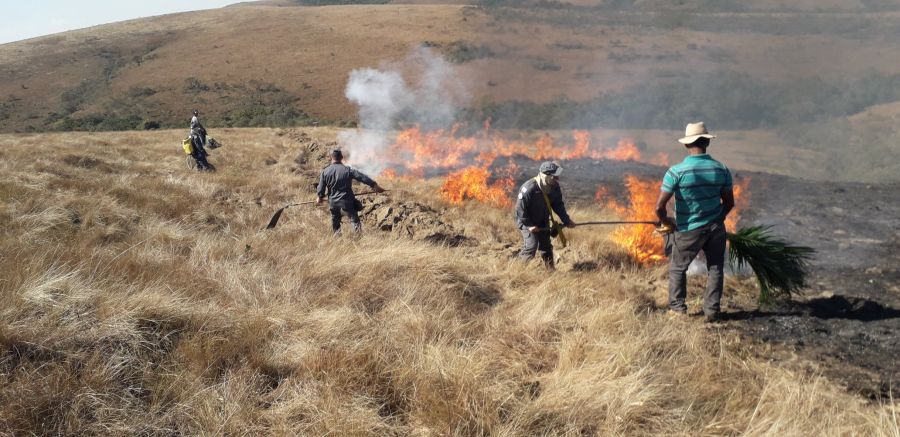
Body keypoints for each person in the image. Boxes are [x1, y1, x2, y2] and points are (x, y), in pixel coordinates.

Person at [655, 122, 735, 322]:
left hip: (689, 229)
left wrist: (666, 221)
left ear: (686, 145)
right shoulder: (721, 169)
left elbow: (659, 207)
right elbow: (729, 202)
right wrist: (719, 218)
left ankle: (677, 309)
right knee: (715, 268)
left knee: (677, 268)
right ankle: (712, 311)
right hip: (716, 228)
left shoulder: (676, 172)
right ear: (707, 142)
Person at [514, 161, 576, 267]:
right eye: (555, 177)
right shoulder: (529, 188)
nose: (558, 179)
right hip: (526, 221)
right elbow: (520, 210)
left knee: (546, 247)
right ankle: (517, 269)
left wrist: (566, 220)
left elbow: (558, 205)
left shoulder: (554, 187)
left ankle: (550, 271)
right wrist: (530, 226)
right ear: (546, 176)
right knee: (531, 246)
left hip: (543, 221)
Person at [316, 149, 385, 234]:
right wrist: (374, 185)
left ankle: (337, 240)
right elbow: (362, 177)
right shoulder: (348, 170)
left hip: (333, 203)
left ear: (331, 158)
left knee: (335, 222)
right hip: (347, 202)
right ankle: (358, 240)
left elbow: (321, 187)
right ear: (341, 158)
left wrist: (320, 197)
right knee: (355, 221)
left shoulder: (325, 172)